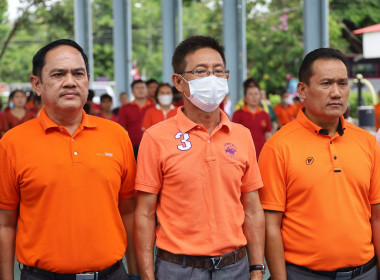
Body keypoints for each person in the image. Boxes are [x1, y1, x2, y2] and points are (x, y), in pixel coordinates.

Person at [0, 39, 139, 280]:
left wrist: (135, 273)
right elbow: (6, 223)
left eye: (78, 73)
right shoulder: (12, 143)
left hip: (112, 275)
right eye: (58, 74)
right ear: (37, 84)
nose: (70, 82)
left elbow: (129, 212)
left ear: (87, 80)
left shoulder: (117, 136)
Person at [134, 35, 265, 280]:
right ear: (179, 82)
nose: (212, 79)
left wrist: (257, 269)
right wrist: (147, 276)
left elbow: (253, 209)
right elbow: (144, 214)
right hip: (178, 269)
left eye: (218, 71)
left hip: (234, 267)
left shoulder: (242, 136)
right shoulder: (155, 138)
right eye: (201, 71)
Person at [258, 48, 380, 280]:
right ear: (302, 90)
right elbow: (270, 226)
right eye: (326, 83)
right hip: (304, 275)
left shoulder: (367, 142)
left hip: (366, 272)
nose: (336, 92)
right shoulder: (278, 146)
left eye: (342, 83)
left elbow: (377, 215)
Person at [232, 84, 272, 159]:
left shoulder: (265, 115)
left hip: (261, 156)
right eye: (251, 94)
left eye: (256, 94)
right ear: (245, 98)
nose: (254, 97)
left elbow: (268, 135)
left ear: (260, 96)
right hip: (243, 156)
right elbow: (233, 136)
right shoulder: (238, 114)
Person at [118, 79, 154, 158]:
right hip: (131, 146)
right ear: (132, 91)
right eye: (137, 88)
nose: (140, 90)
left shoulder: (154, 107)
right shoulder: (125, 108)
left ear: (147, 90)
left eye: (142, 87)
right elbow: (122, 129)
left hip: (152, 146)